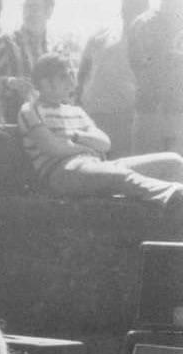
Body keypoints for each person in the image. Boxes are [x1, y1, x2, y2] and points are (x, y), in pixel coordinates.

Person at [18, 53, 183, 205]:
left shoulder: (76, 111)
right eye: (63, 76)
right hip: (62, 173)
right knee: (117, 175)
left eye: (71, 74)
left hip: (96, 165)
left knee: (173, 161)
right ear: (45, 83)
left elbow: (105, 144)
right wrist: (89, 147)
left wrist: (75, 136)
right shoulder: (30, 110)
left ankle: (172, 217)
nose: (71, 81)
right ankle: (175, 193)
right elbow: (52, 148)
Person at [76, 0, 147, 157]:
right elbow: (82, 72)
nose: (130, 11)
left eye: (138, 8)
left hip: (125, 120)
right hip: (92, 117)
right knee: (94, 168)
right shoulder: (100, 35)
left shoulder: (149, 41)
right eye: (127, 7)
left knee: (121, 169)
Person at [0, 0, 53, 124]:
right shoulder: (6, 43)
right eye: (26, 7)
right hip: (12, 127)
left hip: (49, 124)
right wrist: (9, 82)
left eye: (35, 7)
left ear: (49, 11)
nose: (29, 13)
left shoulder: (53, 50)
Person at [126, 0, 183, 154]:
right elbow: (140, 64)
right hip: (151, 110)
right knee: (147, 166)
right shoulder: (145, 23)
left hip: (174, 111)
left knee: (175, 169)